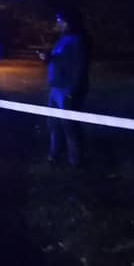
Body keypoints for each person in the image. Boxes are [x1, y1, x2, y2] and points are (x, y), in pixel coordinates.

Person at [39, 10, 91, 167]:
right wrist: (48, 58)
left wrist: (72, 90)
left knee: (69, 125)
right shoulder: (62, 39)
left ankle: (75, 160)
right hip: (55, 88)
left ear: (68, 23)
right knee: (54, 123)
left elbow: (79, 67)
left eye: (60, 20)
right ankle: (54, 154)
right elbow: (61, 60)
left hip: (66, 89)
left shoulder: (77, 41)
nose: (58, 23)